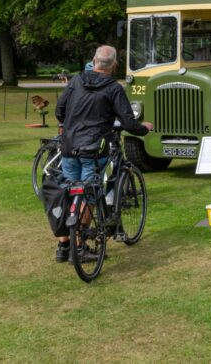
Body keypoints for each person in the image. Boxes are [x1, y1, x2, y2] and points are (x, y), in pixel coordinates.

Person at [53, 45, 153, 262]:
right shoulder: (114, 88)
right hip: (94, 149)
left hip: (69, 146)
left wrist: (69, 125)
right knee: (89, 196)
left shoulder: (77, 80)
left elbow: (59, 111)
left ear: (93, 60)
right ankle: (79, 248)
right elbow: (128, 122)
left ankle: (63, 246)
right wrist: (144, 127)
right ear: (114, 65)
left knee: (68, 193)